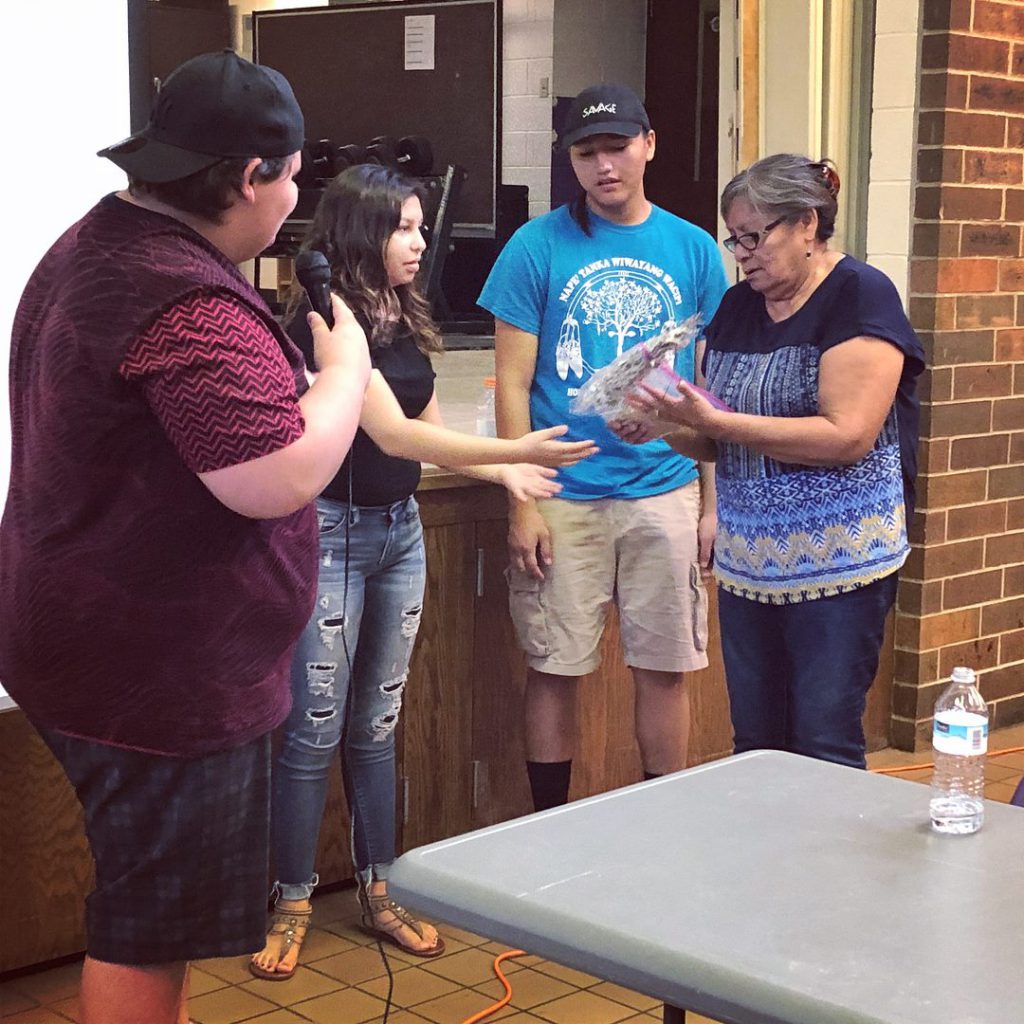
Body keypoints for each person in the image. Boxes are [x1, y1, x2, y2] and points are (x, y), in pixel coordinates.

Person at [0, 52, 372, 1024]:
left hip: (79, 639)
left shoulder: (98, 241)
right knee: (149, 924)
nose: (293, 200)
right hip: (157, 677)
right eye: (291, 176)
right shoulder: (186, 298)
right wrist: (346, 370)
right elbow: (277, 475)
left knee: (144, 894)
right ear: (251, 175)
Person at [250, 164, 597, 980]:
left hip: (398, 533)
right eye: (403, 227)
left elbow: (427, 422)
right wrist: (515, 448)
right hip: (330, 536)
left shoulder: (402, 314)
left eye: (418, 225)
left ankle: (379, 888)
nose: (420, 240)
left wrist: (504, 477)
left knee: (376, 725)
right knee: (311, 729)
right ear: (363, 233)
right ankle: (292, 900)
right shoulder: (323, 319)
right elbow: (392, 436)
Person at [624, 153, 925, 770]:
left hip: (839, 563)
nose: (743, 253)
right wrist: (660, 428)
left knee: (823, 742)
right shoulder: (737, 307)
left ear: (808, 225)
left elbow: (848, 435)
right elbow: (715, 442)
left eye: (756, 236)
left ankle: (828, 869)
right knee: (756, 748)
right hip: (750, 567)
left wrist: (712, 421)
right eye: (735, 239)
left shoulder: (860, 295)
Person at [476, 83, 729, 814]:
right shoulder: (536, 245)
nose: (603, 166)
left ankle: (662, 821)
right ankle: (548, 823)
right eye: (586, 154)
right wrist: (521, 497)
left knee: (666, 667)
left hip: (665, 486)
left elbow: (710, 388)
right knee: (555, 665)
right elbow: (513, 384)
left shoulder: (694, 249)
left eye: (616, 147)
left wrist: (716, 504)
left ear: (648, 144)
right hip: (565, 494)